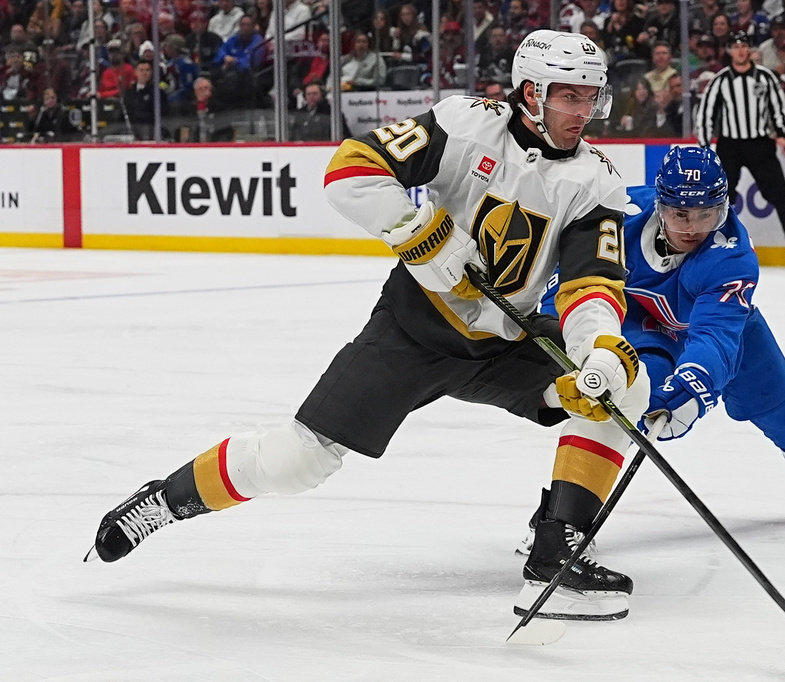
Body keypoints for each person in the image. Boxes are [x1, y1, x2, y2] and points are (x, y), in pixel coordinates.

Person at [86, 29, 651, 623]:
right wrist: (420, 233)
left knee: (621, 385)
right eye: (569, 96)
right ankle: (165, 500)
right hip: (412, 332)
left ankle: (557, 552)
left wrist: (598, 352)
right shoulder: (466, 124)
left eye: (591, 97)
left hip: (502, 343)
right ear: (531, 92)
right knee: (299, 461)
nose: (583, 112)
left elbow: (592, 283)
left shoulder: (597, 180)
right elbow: (351, 168)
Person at [526, 147, 785, 554]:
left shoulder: (732, 256)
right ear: (660, 205)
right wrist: (573, 345)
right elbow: (571, 285)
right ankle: (561, 520)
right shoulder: (618, 216)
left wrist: (694, 385)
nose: (694, 228)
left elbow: (715, 336)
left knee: (780, 405)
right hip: (640, 324)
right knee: (620, 404)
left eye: (707, 214)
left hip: (726, 328)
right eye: (681, 215)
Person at [695, 32, 785, 269]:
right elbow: (706, 114)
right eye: (736, 46)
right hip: (730, 145)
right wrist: (704, 146)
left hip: (759, 144)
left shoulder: (765, 77)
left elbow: (778, 107)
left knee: (781, 195)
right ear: (730, 51)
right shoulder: (721, 80)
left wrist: (782, 134)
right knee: (721, 198)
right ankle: (710, 248)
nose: (740, 50)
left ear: (750, 50)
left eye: (744, 46)